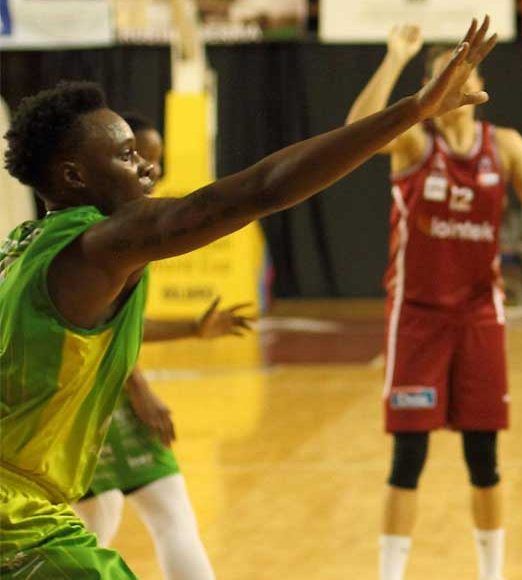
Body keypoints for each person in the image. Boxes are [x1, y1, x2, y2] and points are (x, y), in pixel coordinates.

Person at [0, 19, 496, 577]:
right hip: (14, 518)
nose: (146, 166)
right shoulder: (99, 242)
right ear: (73, 177)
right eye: (125, 156)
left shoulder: (22, 248)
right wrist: (411, 110)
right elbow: (257, 191)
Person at [345, 22, 522, 580]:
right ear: (433, 86)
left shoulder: (504, 147)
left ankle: (492, 573)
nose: (456, 80)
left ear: (479, 81)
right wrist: (394, 58)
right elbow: (355, 131)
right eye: (443, 72)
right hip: (417, 318)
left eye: (465, 68)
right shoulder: (415, 141)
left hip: (480, 316)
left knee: (483, 459)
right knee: (407, 459)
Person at [70, 113, 253, 580]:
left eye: (157, 159)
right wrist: (139, 389)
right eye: (136, 157)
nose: (150, 169)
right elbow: (102, 328)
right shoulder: (112, 231)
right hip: (97, 397)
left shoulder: (107, 226)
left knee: (98, 519)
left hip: (80, 402)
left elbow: (126, 323)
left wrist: (193, 327)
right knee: (170, 517)